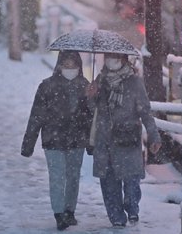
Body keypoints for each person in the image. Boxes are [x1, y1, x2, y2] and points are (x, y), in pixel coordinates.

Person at [85, 52, 162, 228]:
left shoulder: (134, 82)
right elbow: (92, 110)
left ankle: (132, 207)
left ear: (124, 60)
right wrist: (91, 96)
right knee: (109, 183)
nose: (113, 61)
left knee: (131, 182)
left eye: (116, 57)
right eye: (109, 57)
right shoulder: (100, 80)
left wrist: (154, 136)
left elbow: (145, 112)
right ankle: (117, 218)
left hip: (127, 140)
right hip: (105, 140)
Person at [21, 51, 93, 231]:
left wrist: (92, 141)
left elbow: (92, 117)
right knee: (57, 177)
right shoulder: (47, 86)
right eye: (66, 65)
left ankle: (70, 210)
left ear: (79, 67)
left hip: (77, 140)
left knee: (73, 177)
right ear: (59, 66)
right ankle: (59, 213)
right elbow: (36, 116)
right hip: (53, 139)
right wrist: (28, 144)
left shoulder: (85, 86)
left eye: (73, 66)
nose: (70, 69)